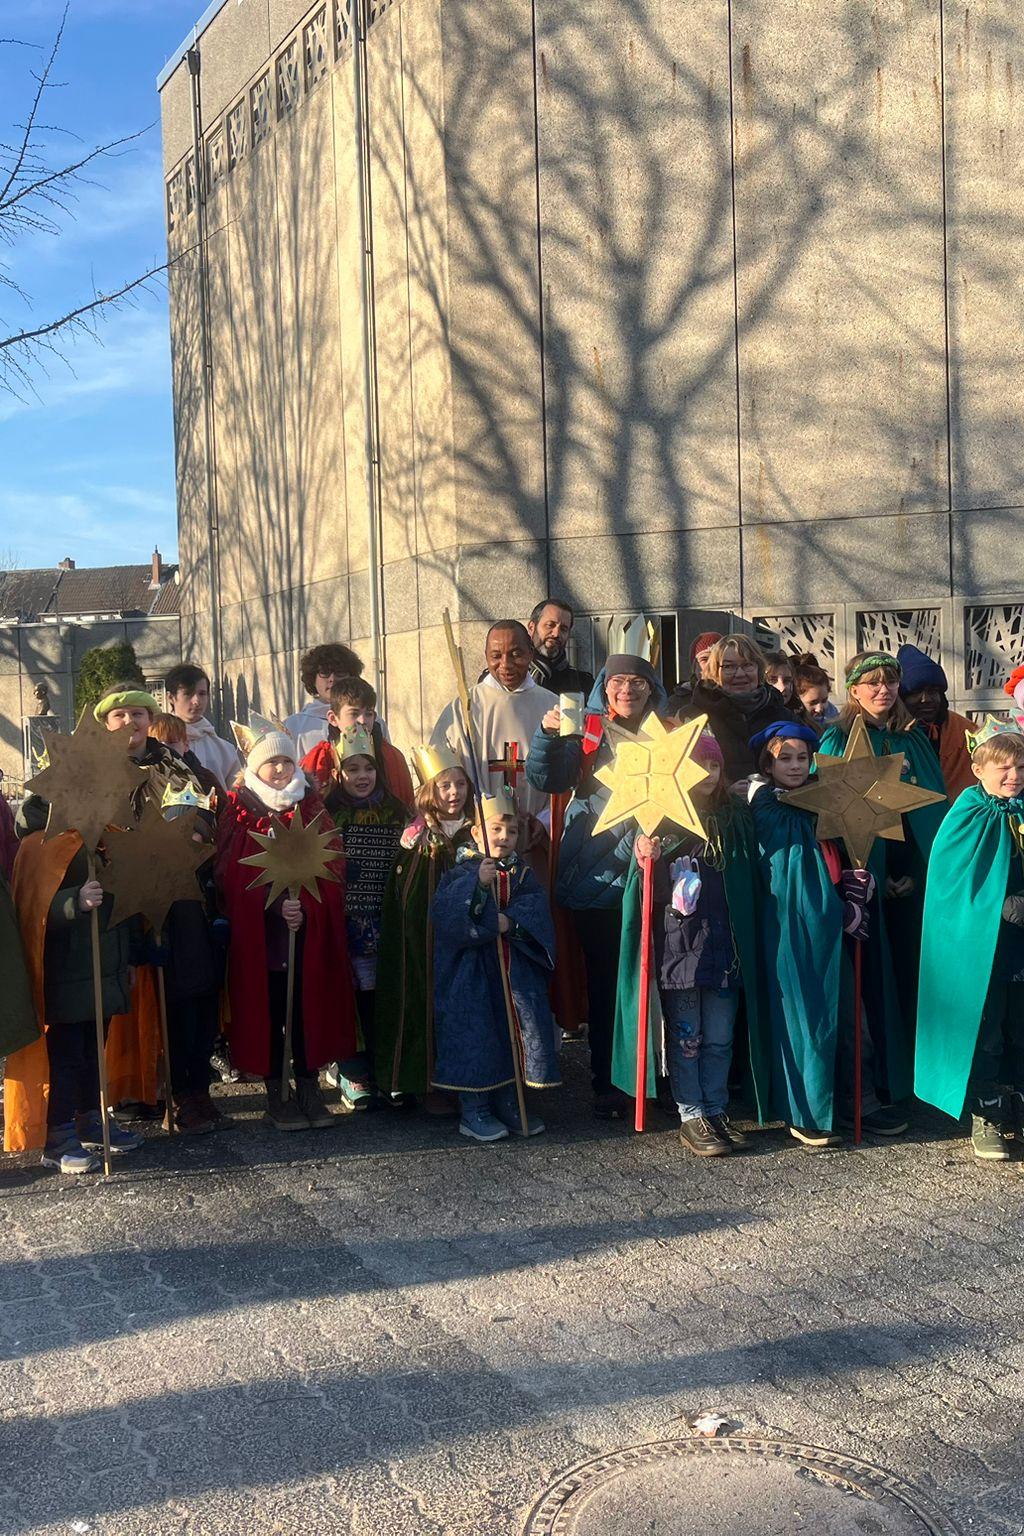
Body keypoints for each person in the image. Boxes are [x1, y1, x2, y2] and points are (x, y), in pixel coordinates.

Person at [3, 698, 152, 1173]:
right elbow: (33, 912)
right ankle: (58, 1134)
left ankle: (92, 1119)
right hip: (67, 977)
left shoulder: (108, 837)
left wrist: (130, 956)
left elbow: (125, 904)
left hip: (105, 972)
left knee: (94, 1055)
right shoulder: (40, 845)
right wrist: (73, 903)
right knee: (68, 1057)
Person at [746, 720, 907, 1144]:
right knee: (805, 1018)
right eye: (785, 759)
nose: (795, 766)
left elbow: (847, 848)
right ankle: (807, 1110)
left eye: (802, 758)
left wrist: (856, 886)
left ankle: (860, 1101)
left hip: (837, 925)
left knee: (853, 1016)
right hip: (796, 928)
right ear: (768, 764)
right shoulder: (769, 806)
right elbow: (791, 869)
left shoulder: (828, 801)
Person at [526, 636, 665, 1117]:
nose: (627, 690)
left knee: (660, 984)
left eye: (638, 682)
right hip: (596, 875)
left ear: (651, 689)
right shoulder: (585, 732)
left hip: (653, 871)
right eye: (618, 681)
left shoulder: (669, 734)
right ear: (605, 688)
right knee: (607, 986)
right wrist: (548, 737)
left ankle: (658, 1081)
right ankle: (608, 1082)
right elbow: (549, 779)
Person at [611, 731, 764, 1156]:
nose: (709, 774)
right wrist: (647, 858)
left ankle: (716, 1108)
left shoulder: (734, 820)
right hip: (681, 955)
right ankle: (691, 1113)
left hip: (725, 951)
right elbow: (648, 894)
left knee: (720, 1038)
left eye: (715, 765)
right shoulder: (661, 823)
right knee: (687, 1038)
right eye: (699, 765)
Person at [215, 727, 354, 1131]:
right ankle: (277, 1091)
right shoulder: (240, 810)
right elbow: (230, 875)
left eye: (286, 761)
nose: (279, 769)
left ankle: (308, 1086)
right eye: (271, 762)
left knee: (305, 1010)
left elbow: (333, 865)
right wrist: (275, 905)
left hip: (305, 933)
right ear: (255, 767)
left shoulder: (310, 806)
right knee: (272, 1009)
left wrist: (307, 907)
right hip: (264, 938)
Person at [819, 652, 947, 1031]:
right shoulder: (838, 739)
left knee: (915, 971)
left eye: (890, 681)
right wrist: (869, 872)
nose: (883, 690)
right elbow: (826, 811)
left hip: (912, 873)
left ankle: (913, 1061)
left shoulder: (914, 740)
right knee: (871, 976)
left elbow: (932, 813)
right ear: (853, 690)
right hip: (861, 874)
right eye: (872, 682)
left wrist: (917, 873)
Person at [915, 719, 1024, 1162]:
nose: (1014, 775)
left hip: (1021, 944)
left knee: (1020, 1028)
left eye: (1021, 766)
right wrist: (998, 906)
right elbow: (952, 884)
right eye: (1004, 767)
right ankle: (987, 1113)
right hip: (983, 950)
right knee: (987, 1030)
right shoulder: (968, 814)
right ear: (978, 770)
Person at [431, 787, 559, 1142]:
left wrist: (511, 923)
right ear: (476, 832)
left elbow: (536, 908)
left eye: (512, 831)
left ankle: (509, 1099)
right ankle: (474, 1107)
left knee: (510, 1031)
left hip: (513, 972)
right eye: (496, 829)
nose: (504, 837)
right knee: (476, 1034)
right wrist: (478, 886)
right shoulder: (461, 872)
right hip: (471, 975)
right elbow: (447, 915)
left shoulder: (522, 873)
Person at [373, 745, 473, 1110]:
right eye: (445, 785)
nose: (454, 793)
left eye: (460, 784)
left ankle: (471, 1084)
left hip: (469, 940)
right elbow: (411, 897)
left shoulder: (477, 830)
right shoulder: (419, 838)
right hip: (427, 940)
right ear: (430, 790)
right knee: (425, 1001)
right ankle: (428, 1083)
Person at [319, 724, 408, 1108]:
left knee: (381, 997)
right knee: (347, 997)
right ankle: (352, 1070)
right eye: (353, 769)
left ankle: (386, 1069)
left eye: (368, 768)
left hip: (384, 919)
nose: (362, 776)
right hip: (343, 921)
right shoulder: (327, 813)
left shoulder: (396, 812)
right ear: (339, 773)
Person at [431, 620, 557, 823]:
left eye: (515, 654)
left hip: (539, 830)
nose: (506, 664)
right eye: (496, 656)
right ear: (486, 656)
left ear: (530, 653)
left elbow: (568, 779)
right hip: (477, 828)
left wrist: (543, 823)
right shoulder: (463, 708)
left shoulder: (553, 706)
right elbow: (438, 777)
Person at [670, 634, 794, 782]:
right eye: (728, 667)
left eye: (747, 665)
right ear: (715, 671)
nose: (740, 674)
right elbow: (677, 775)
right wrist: (726, 790)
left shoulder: (782, 716)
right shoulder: (691, 717)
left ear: (759, 669)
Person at [302, 676, 414, 810]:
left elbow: (407, 808)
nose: (362, 720)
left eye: (368, 714)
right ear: (333, 718)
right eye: (354, 714)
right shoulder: (319, 759)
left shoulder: (392, 758)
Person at [896, 644, 973, 800]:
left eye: (933, 691)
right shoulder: (889, 732)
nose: (926, 699)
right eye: (915, 692)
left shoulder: (965, 731)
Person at [284, 642, 365, 760]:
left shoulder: (368, 720)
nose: (332, 679)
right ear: (313, 678)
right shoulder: (293, 726)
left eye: (340, 672)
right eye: (325, 672)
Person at [166, 662, 241, 789]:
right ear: (171, 697)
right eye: (188, 693)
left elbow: (236, 793)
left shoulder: (225, 750)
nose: (196, 701)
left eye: (202, 694)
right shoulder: (156, 742)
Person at [527, 599, 595, 698]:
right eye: (550, 625)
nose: (556, 634)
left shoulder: (583, 683)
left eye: (563, 629)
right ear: (531, 628)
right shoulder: (513, 677)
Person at [793, 653, 838, 733]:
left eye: (824, 701)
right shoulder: (793, 724)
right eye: (813, 703)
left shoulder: (832, 715)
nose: (819, 709)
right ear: (797, 698)